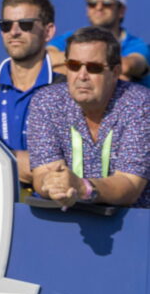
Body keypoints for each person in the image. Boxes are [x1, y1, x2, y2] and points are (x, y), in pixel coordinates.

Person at [29, 26, 150, 208]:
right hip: (65, 223)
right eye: (74, 66)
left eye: (94, 68)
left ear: (116, 72)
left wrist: (83, 187)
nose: (82, 76)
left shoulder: (141, 105)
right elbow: (41, 174)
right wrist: (55, 186)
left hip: (133, 227)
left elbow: (130, 184)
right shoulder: (46, 102)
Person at [0, 0, 63, 184]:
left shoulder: (68, 93)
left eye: (25, 24)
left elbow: (69, 166)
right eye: (6, 25)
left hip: (50, 211)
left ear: (48, 32)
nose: (14, 32)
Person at [47, 0, 149, 87]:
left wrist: (67, 66)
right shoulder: (72, 37)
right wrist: (102, 70)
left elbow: (126, 66)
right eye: (92, 3)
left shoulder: (135, 44)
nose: (99, 7)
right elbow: (44, 59)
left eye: (106, 3)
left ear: (121, 10)